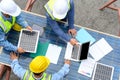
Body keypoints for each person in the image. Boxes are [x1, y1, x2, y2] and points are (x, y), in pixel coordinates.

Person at [0, 0, 32, 79]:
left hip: (7, 32)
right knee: (5, 56)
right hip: (2, 37)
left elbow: (18, 16)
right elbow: (2, 42)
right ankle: (5, 68)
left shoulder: (10, 10)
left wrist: (26, 25)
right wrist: (16, 49)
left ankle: (7, 68)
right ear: (6, 13)